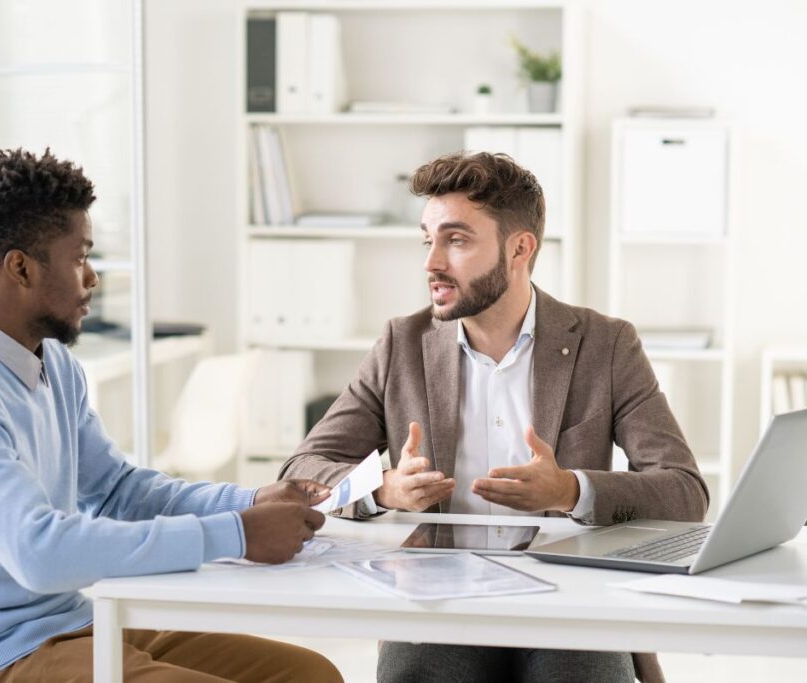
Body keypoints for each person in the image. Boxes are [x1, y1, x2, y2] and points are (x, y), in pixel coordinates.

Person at [0, 148, 342, 683]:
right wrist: (236, 534)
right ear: (21, 268)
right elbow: (41, 553)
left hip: (72, 625)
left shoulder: (50, 362)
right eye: (79, 257)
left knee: (310, 675)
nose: (93, 277)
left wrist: (250, 501)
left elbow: (118, 490)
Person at [279, 151, 709, 683]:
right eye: (427, 239)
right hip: (439, 604)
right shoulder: (401, 344)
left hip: (568, 602)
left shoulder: (606, 344)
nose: (431, 262)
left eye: (456, 240)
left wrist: (569, 491)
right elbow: (300, 472)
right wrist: (381, 489)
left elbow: (685, 492)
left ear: (519, 249)